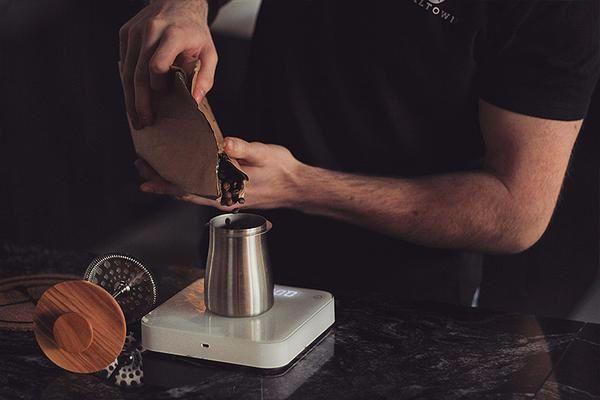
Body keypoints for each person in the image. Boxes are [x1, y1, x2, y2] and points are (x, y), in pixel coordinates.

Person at [120, 0, 600, 304]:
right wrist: (186, 4)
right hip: (244, 244)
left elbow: (516, 211)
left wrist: (299, 186)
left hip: (408, 300)